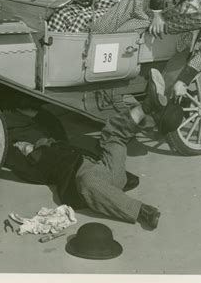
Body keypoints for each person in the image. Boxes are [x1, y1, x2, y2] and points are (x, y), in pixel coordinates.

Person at [11, 69, 169, 229]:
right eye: (22, 145)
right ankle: (142, 211)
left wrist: (32, 113)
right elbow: (12, 160)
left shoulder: (57, 142)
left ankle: (148, 106)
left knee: (113, 134)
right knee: (89, 180)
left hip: (109, 171)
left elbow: (52, 123)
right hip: (87, 183)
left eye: (23, 143)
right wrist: (19, 148)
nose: (24, 143)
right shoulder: (39, 167)